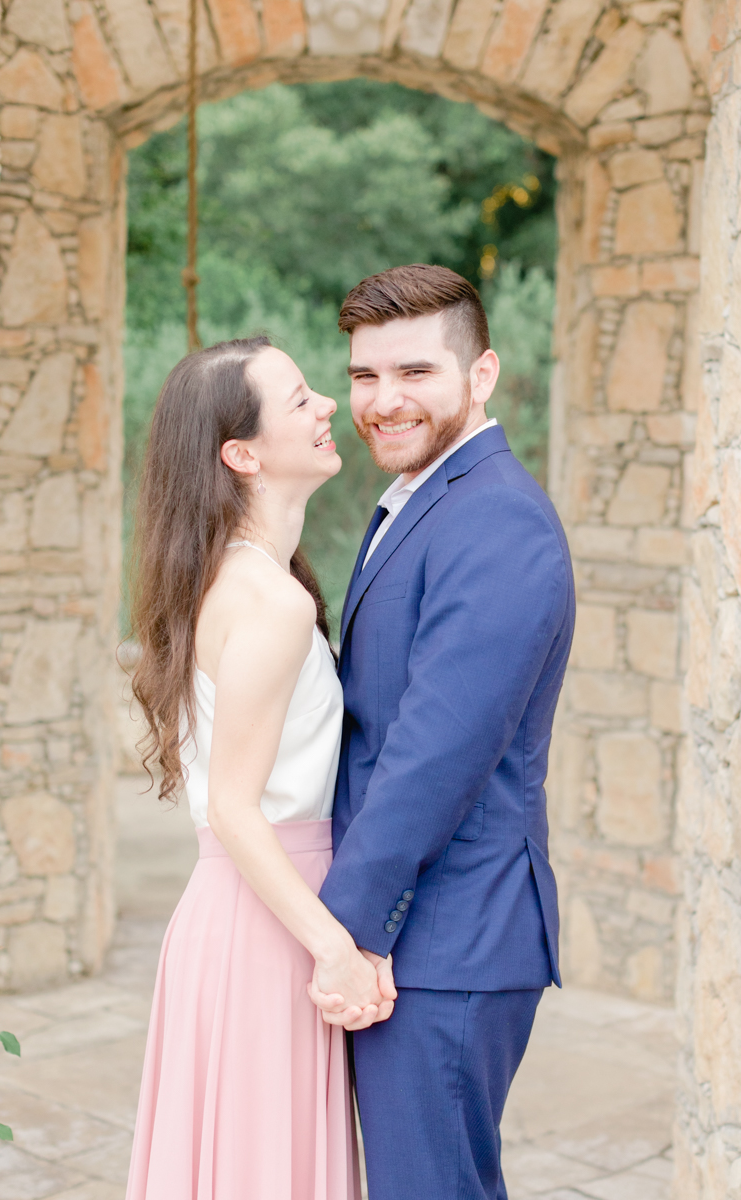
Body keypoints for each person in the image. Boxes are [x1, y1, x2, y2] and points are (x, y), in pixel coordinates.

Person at [315, 264, 576, 1200]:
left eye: (415, 373)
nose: (382, 402)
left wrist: (340, 935)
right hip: (424, 940)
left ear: (483, 374)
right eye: (363, 376)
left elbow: (433, 758)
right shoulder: (427, 500)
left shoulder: (497, 519)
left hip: (446, 942)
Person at [123, 336, 393, 1200]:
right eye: (302, 398)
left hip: (244, 912)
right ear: (241, 454)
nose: (326, 409)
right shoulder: (269, 601)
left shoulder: (242, 580)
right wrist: (336, 951)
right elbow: (236, 810)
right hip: (269, 923)